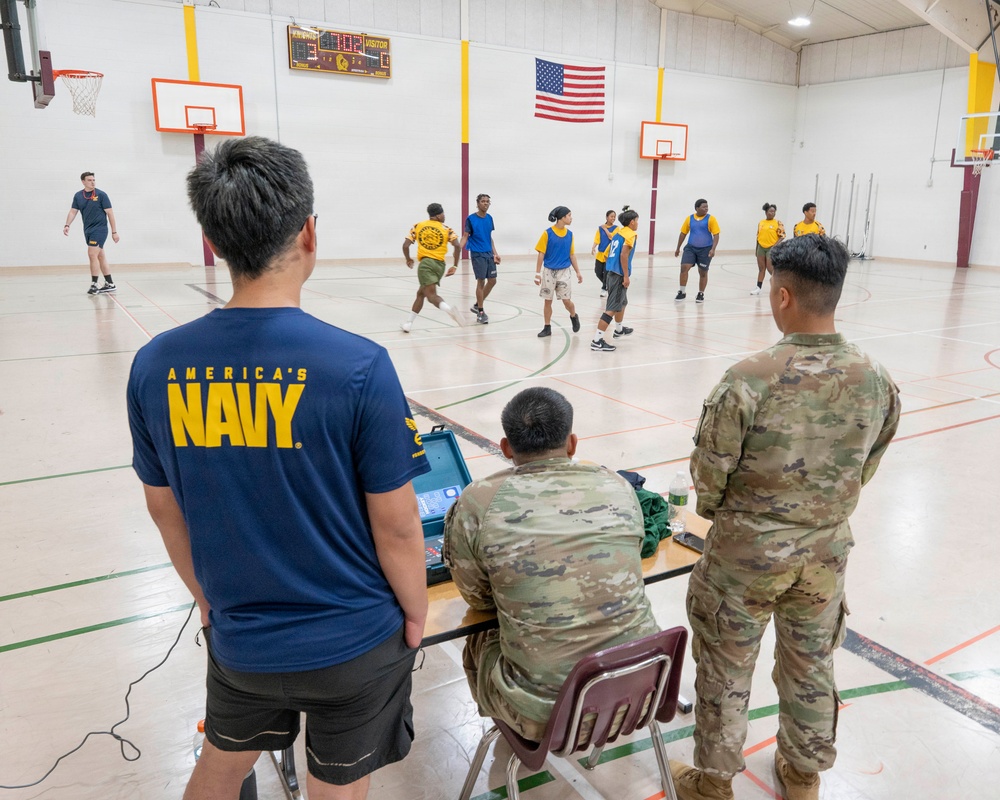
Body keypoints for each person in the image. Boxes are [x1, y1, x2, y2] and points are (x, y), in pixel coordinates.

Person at [126, 136, 431, 800]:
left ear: (214, 241)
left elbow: (163, 507)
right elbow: (400, 529)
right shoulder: (358, 366)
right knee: (338, 787)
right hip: (355, 641)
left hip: (242, 643)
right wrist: (415, 613)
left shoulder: (156, 365)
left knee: (221, 765)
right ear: (310, 233)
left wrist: (209, 600)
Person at [669, 234, 900, 800]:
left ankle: (714, 781)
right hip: (824, 552)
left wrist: (735, 517)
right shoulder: (876, 378)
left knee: (726, 664)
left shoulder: (750, 377)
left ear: (783, 296)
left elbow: (710, 477)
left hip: (745, 556)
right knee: (811, 662)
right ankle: (802, 774)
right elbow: (867, 464)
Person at [443, 386, 659, 741]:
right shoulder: (618, 485)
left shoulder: (479, 501)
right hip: (641, 691)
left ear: (506, 448)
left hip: (548, 716)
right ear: (572, 443)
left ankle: (519, 729)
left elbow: (478, 600)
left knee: (481, 634)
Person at [401, 203, 464, 332]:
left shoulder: (418, 226)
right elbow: (457, 246)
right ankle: (408, 323)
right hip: (440, 265)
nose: (444, 216)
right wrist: (455, 265)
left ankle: (449, 310)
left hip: (426, 265)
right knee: (421, 293)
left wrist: (408, 259)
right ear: (438, 215)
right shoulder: (447, 229)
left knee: (431, 296)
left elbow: (406, 245)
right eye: (443, 213)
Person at [591, 205, 638, 353]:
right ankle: (597, 341)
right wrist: (625, 275)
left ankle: (619, 329)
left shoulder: (618, 233)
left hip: (611, 272)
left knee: (622, 302)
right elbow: (624, 255)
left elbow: (606, 253)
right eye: (637, 220)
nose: (637, 223)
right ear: (631, 222)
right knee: (611, 308)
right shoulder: (630, 234)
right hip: (618, 275)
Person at [63, 171, 120, 294]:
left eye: (93, 179)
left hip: (100, 229)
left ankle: (94, 284)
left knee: (92, 254)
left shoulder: (101, 195)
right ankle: (110, 283)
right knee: (100, 255)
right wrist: (67, 225)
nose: (92, 182)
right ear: (83, 181)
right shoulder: (78, 196)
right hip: (88, 230)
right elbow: (73, 211)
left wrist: (114, 232)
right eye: (89, 180)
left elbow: (110, 213)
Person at [534, 206, 582, 338]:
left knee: (566, 301)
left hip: (564, 272)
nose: (571, 218)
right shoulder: (547, 233)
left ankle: (573, 315)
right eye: (569, 215)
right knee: (547, 301)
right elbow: (541, 254)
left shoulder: (570, 235)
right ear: (562, 217)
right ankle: (547, 327)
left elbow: (572, 255)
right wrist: (537, 273)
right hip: (549, 271)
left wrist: (578, 272)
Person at [459, 193, 501, 325]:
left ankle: (477, 304)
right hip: (477, 254)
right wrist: (457, 249)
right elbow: (465, 236)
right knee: (481, 282)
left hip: (489, 253)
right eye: (483, 201)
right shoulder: (471, 219)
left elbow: (489, 237)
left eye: (488, 201)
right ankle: (481, 312)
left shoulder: (489, 218)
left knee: (493, 281)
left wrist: (495, 253)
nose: (485, 203)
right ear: (477, 203)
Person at [674, 199, 720, 304]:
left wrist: (713, 249)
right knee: (684, 268)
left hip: (705, 249)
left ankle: (701, 293)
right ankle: (682, 291)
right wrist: (678, 248)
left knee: (703, 272)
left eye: (707, 207)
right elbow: (683, 233)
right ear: (697, 208)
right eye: (704, 207)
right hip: (691, 248)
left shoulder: (711, 219)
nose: (706, 209)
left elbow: (716, 235)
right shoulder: (689, 219)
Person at [752, 202, 785, 295]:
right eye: (770, 211)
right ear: (766, 212)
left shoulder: (778, 223)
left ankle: (779, 286)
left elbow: (782, 236)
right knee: (761, 268)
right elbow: (758, 236)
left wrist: (775, 246)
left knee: (770, 269)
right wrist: (756, 248)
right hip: (761, 247)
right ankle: (758, 287)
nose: (772, 213)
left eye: (774, 211)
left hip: (771, 248)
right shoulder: (761, 222)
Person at [591, 209, 618, 297]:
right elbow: (597, 239)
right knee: (597, 272)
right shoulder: (600, 228)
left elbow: (612, 237)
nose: (613, 218)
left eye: (614, 217)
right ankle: (608, 286)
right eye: (611, 216)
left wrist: (605, 229)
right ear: (607, 217)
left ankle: (604, 288)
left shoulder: (616, 228)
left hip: (609, 254)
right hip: (600, 253)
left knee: (606, 273)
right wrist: (593, 247)